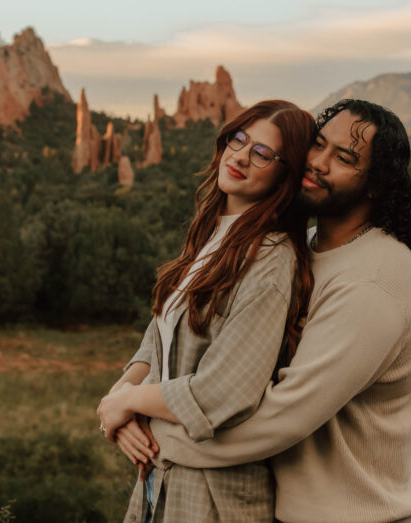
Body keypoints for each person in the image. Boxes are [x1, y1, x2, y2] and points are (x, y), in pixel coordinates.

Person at [114, 98, 411, 523]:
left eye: (344, 157)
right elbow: (173, 323)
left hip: (353, 515)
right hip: (293, 506)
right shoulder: (311, 246)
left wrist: (150, 431)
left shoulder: (373, 280)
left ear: (376, 184)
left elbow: (282, 418)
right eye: (317, 145)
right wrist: (124, 395)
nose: (317, 162)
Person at [97, 99, 317, 522]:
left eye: (263, 153)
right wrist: (117, 401)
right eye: (239, 139)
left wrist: (130, 403)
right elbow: (160, 333)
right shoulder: (213, 234)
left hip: (215, 498)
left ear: (284, 176)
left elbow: (224, 392)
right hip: (160, 482)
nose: (241, 156)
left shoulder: (270, 257)